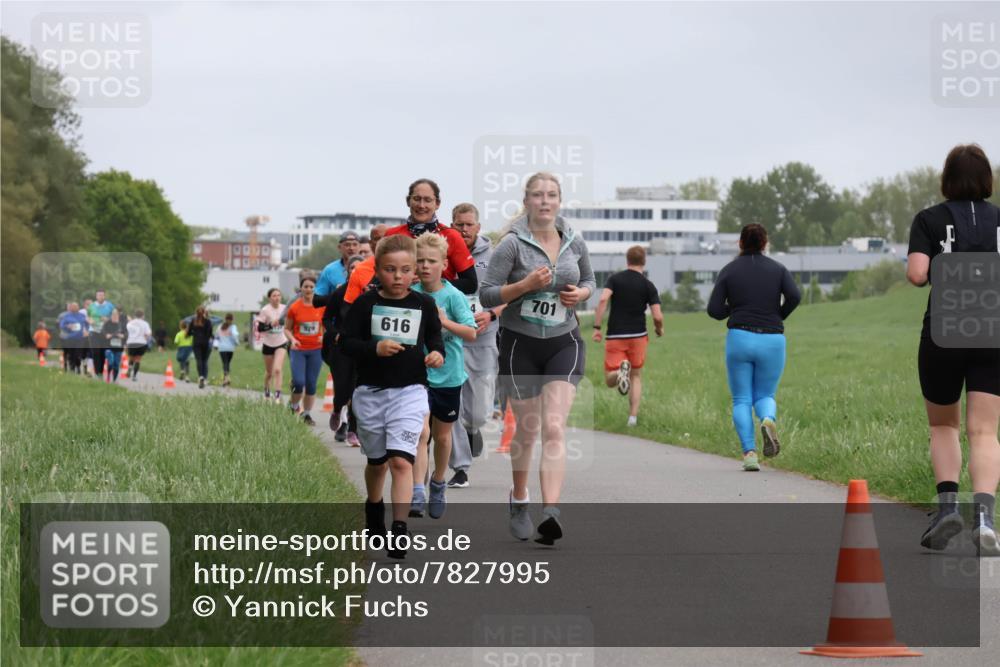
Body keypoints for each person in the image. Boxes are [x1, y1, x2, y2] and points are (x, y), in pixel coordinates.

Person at [480, 172, 596, 545]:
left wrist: (580, 294)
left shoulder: (574, 241)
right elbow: (487, 295)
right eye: (537, 195)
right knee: (527, 431)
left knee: (554, 427)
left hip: (565, 341)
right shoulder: (511, 246)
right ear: (527, 201)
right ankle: (519, 498)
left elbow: (591, 282)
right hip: (520, 345)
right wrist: (524, 286)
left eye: (551, 195)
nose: (545, 201)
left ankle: (550, 512)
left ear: (559, 201)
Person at [906, 143, 1000, 556]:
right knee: (985, 431)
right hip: (992, 331)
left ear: (947, 178)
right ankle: (985, 518)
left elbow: (916, 274)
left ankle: (947, 510)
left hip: (944, 330)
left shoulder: (929, 218)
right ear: (985, 180)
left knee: (944, 426)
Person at [341, 234, 445, 559]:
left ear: (415, 270)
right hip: (371, 393)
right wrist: (375, 347)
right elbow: (345, 343)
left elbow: (434, 338)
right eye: (389, 270)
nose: (397, 277)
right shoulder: (366, 303)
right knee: (378, 462)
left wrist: (437, 354)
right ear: (378, 270)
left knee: (401, 460)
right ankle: (374, 508)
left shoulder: (423, 304)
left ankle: (399, 529)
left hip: (411, 392)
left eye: (404, 270)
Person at [707, 224, 800, 472]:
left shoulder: (729, 270)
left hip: (740, 338)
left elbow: (714, 310)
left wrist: (736, 309)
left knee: (741, 399)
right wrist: (778, 314)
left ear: (740, 243)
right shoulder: (778, 269)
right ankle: (768, 419)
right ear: (764, 243)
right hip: (772, 338)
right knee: (765, 395)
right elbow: (795, 296)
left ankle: (749, 454)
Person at [410, 233, 477, 518]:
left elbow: (471, 332)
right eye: (420, 261)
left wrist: (443, 320)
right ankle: (417, 490)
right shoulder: (409, 294)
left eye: (431, 261)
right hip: (416, 375)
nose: (425, 266)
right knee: (420, 432)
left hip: (448, 376)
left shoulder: (453, 296)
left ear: (444, 264)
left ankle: (438, 481)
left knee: (443, 436)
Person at [448, 203, 506, 488]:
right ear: (452, 225)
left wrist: (492, 313)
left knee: (479, 412)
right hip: (451, 341)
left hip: (483, 339)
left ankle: (474, 429)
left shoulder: (494, 256)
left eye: (469, 224)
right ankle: (460, 467)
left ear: (478, 227)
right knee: (453, 407)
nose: (464, 229)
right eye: (459, 224)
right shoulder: (443, 253)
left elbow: (512, 294)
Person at [592, 245, 664, 427]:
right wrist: (659, 329)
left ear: (627, 260)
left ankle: (618, 372)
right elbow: (657, 315)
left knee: (610, 379)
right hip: (638, 335)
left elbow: (602, 300)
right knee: (636, 376)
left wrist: (597, 327)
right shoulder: (648, 285)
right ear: (644, 261)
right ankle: (632, 418)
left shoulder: (614, 279)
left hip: (615, 335)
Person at [381, 179, 478, 295]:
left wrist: (431, 283)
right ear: (408, 201)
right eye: (417, 199)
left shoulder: (452, 236)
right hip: (399, 308)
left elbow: (471, 284)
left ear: (437, 204)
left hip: (439, 308)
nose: (422, 205)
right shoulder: (391, 235)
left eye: (427, 200)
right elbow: (379, 276)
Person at [321, 255, 365, 444]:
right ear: (347, 272)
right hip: (340, 347)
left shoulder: (367, 293)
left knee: (357, 389)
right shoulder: (340, 293)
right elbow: (326, 319)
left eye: (359, 268)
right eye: (352, 268)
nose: (355, 271)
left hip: (361, 347)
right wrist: (335, 334)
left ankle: (353, 431)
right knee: (343, 388)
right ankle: (338, 408)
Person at [284, 275, 326, 425]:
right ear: (301, 289)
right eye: (305, 286)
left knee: (311, 384)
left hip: (316, 350)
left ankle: (307, 414)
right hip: (298, 350)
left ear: (315, 288)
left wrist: (324, 336)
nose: (308, 289)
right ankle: (294, 406)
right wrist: (293, 339)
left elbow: (327, 326)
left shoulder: (321, 306)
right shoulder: (294, 307)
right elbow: (287, 329)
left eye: (311, 287)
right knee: (298, 382)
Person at [255, 288, 289, 403]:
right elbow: (259, 328)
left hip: (282, 342)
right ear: (270, 298)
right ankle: (267, 391)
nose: (277, 297)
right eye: (274, 295)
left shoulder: (285, 308)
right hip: (268, 344)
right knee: (269, 372)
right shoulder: (265, 310)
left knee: (278, 370)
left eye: (279, 295)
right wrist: (270, 325)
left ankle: (278, 396)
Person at [344, 224, 389, 304]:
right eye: (377, 239)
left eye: (386, 238)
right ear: (371, 243)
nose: (382, 242)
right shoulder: (359, 270)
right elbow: (348, 308)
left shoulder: (408, 267)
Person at [315, 231, 362, 296]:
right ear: (339, 248)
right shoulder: (329, 270)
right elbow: (316, 300)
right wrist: (336, 295)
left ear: (360, 247)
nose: (351, 248)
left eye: (355, 244)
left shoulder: (369, 268)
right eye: (347, 245)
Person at [87, 290, 115, 379]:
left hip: (105, 332)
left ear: (104, 296)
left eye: (102, 295)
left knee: (102, 353)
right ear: (96, 296)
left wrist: (108, 319)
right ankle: (97, 372)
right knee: (95, 352)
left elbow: (115, 316)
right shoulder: (91, 306)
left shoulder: (110, 306)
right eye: (99, 295)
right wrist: (90, 320)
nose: (100, 297)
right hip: (94, 331)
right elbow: (87, 316)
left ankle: (100, 373)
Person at [58, 302, 89, 374]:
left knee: (78, 354)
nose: (75, 308)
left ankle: (78, 367)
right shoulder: (67, 316)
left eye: (76, 306)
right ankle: (72, 368)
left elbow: (87, 323)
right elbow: (62, 325)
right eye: (73, 307)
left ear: (78, 307)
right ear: (71, 308)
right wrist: (68, 326)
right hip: (70, 338)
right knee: (71, 354)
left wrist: (86, 330)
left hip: (80, 338)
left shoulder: (82, 316)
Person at [188, 306, 215, 389]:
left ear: (196, 313)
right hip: (205, 343)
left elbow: (189, 332)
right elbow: (210, 333)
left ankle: (201, 377)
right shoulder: (208, 322)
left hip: (196, 343)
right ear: (204, 312)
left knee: (198, 360)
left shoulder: (193, 321)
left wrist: (195, 333)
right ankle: (205, 377)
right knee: (204, 360)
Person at [125, 308, 152, 381]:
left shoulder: (130, 323)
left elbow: (127, 331)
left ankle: (130, 367)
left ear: (135, 315)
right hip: (141, 343)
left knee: (131, 357)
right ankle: (134, 376)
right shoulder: (145, 323)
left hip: (131, 342)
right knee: (138, 359)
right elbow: (148, 334)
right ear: (142, 316)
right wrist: (146, 337)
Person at [101, 308, 127, 382]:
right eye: (113, 315)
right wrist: (106, 335)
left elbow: (126, 333)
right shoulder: (107, 323)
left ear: (118, 316)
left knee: (116, 364)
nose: (114, 316)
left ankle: (114, 380)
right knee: (111, 361)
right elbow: (103, 331)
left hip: (118, 347)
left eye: (116, 315)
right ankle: (108, 375)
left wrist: (123, 336)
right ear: (111, 315)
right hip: (108, 346)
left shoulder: (122, 324)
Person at [216, 313, 239, 388]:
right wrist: (236, 343)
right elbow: (235, 335)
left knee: (225, 363)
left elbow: (216, 336)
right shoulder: (233, 327)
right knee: (227, 363)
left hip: (222, 348)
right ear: (232, 319)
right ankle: (226, 378)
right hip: (230, 348)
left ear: (225, 319)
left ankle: (226, 378)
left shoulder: (220, 327)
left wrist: (216, 345)